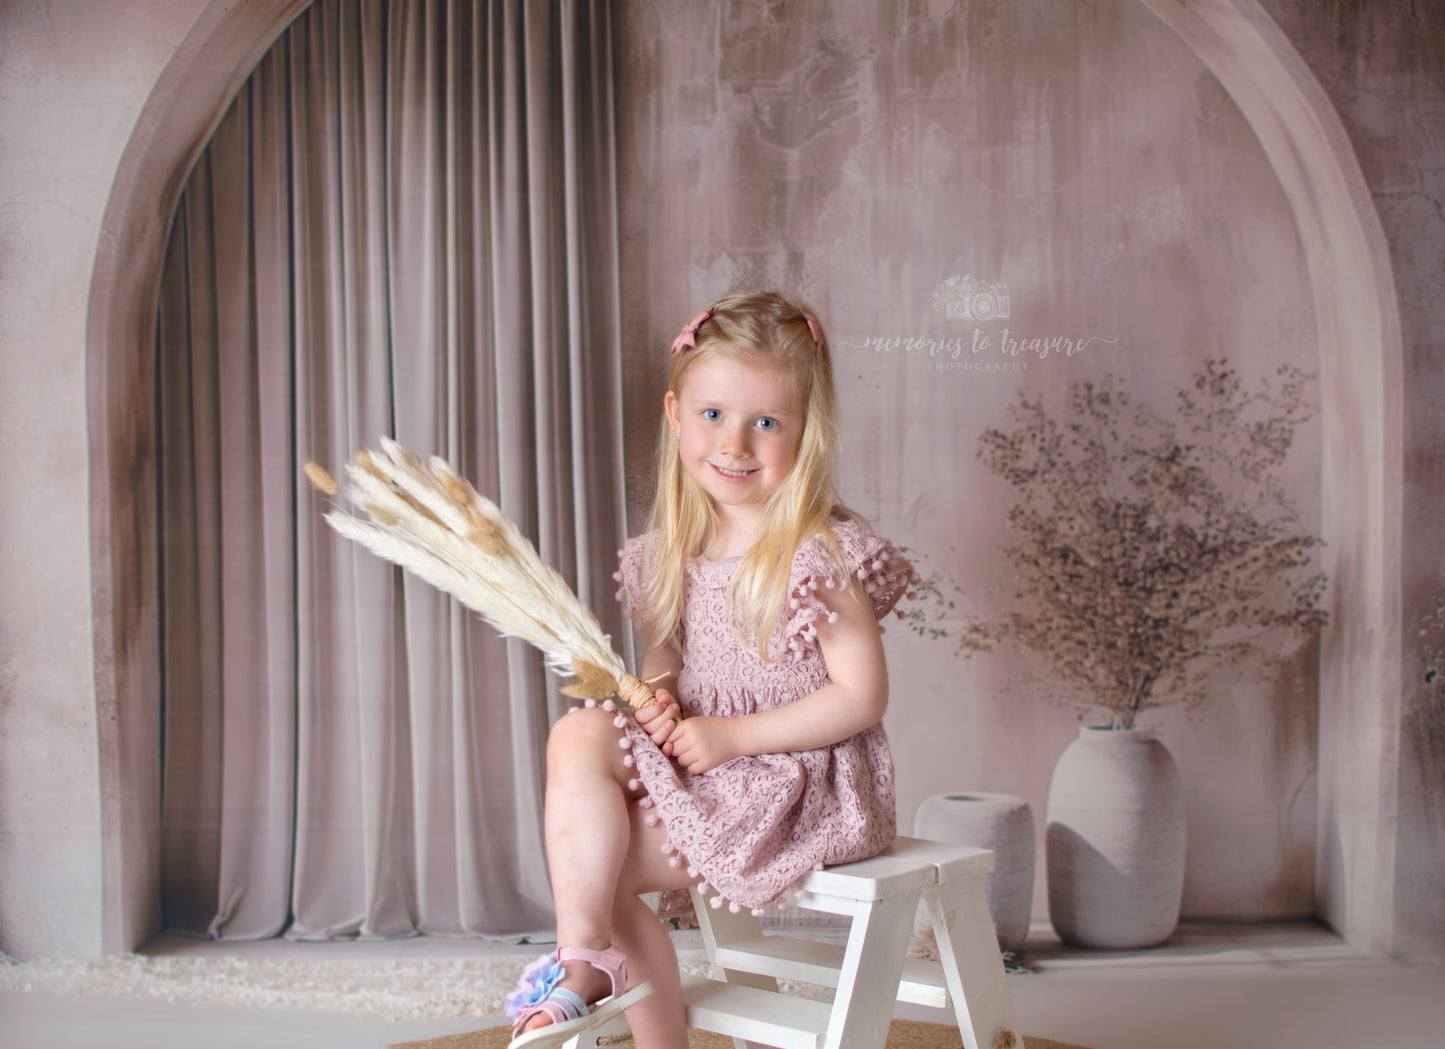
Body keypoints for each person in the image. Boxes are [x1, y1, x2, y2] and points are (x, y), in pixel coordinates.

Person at [505, 292, 917, 1049]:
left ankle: (616, 997)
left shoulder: (817, 554)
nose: (734, 443)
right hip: (707, 759)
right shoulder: (679, 544)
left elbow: (862, 695)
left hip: (798, 779)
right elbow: (668, 651)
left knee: (605, 862)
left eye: (767, 422)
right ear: (675, 414)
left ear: (806, 430)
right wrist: (660, 693)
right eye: (714, 414)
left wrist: (733, 736)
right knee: (578, 734)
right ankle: (584, 955)